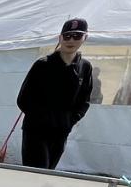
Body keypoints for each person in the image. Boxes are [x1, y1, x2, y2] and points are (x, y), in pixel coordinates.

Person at [17, 17, 93, 169]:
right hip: (36, 131)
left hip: (60, 132)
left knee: (49, 173)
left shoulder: (85, 67)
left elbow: (84, 100)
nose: (71, 40)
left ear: (85, 38)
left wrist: (69, 121)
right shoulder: (43, 64)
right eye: (67, 36)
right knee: (36, 172)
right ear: (60, 38)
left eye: (77, 36)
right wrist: (41, 118)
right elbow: (23, 99)